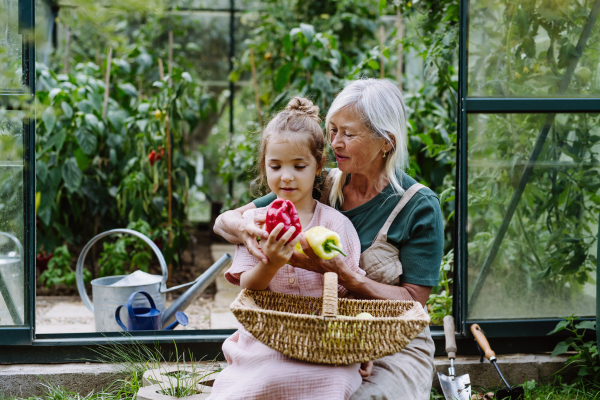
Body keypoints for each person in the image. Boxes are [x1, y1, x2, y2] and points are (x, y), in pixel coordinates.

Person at [214, 79, 444, 400]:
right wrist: (250, 234)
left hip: (393, 339)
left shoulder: (418, 206)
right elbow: (226, 221)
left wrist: (345, 276)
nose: (334, 143)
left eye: (348, 134)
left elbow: (413, 301)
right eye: (332, 130)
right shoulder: (318, 182)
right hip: (321, 334)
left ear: (386, 142)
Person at [208, 97, 368, 400]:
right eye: (276, 165)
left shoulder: (335, 226)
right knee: (264, 377)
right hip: (266, 338)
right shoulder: (255, 223)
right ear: (264, 166)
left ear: (318, 165)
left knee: (335, 379)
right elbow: (247, 285)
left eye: (299, 166)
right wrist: (270, 265)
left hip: (325, 342)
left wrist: (361, 347)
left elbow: (352, 295)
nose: (286, 176)